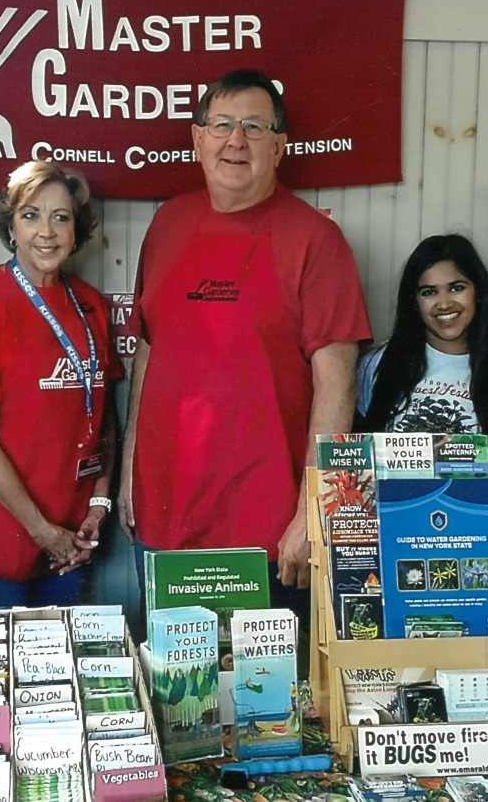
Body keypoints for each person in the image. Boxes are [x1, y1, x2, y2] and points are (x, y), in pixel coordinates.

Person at [120, 69, 372, 618]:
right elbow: (148, 351)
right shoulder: (167, 224)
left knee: (263, 700)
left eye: (254, 128)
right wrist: (128, 471)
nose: (236, 141)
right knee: (175, 694)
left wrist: (315, 510)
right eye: (223, 125)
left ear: (279, 147)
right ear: (197, 138)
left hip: (267, 533)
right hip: (165, 521)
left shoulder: (315, 240)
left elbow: (337, 384)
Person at [0, 161, 123, 609]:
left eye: (60, 217)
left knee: (63, 676)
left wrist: (99, 505)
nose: (47, 231)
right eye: (31, 215)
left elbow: (104, 418)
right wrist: (43, 532)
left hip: (70, 545)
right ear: (12, 227)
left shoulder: (91, 306)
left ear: (76, 229)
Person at [356, 233, 488, 547]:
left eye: (457, 287)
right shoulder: (378, 365)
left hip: (473, 546)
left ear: (478, 293)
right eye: (429, 292)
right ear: (413, 301)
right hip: (393, 541)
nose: (444, 303)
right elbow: (354, 459)